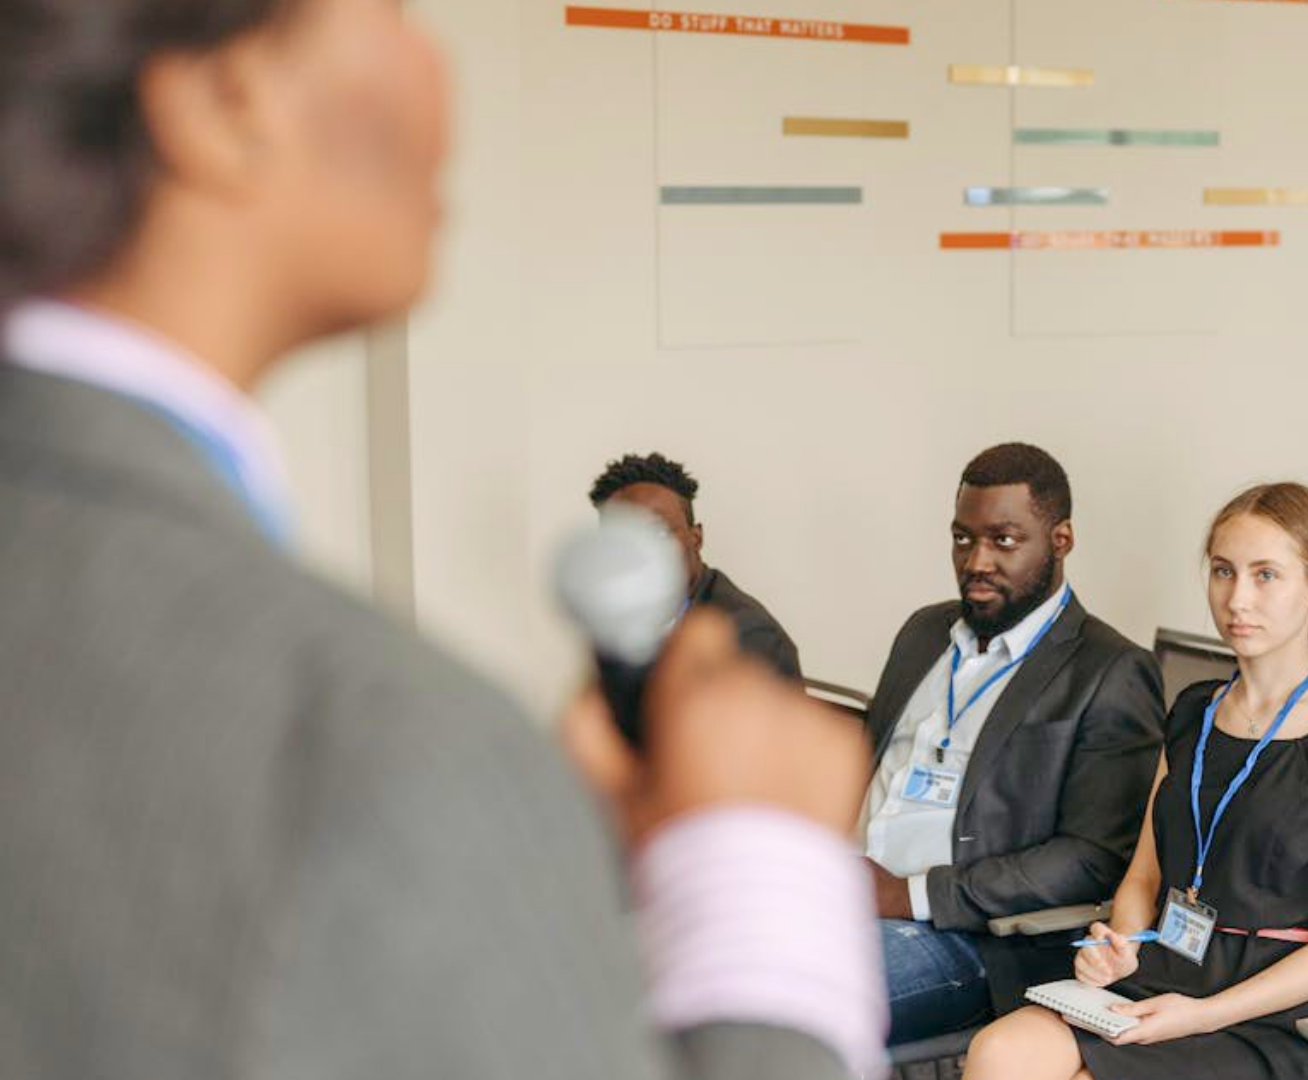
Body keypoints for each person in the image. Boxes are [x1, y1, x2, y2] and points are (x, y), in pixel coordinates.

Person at [0, 2, 883, 1079]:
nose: (439, 68)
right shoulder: (374, 744)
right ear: (222, 102)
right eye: (393, 11)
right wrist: (759, 886)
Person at [961, 482, 1308, 1080]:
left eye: (1266, 575)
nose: (1237, 597)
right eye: (1224, 571)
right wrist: (1118, 946)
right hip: (1160, 969)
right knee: (998, 1052)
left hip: (1261, 1013)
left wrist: (1202, 1015)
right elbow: (1144, 875)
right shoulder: (1194, 712)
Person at [859, 443, 1165, 1045]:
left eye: (1003, 540)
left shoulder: (1109, 670)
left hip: (967, 938)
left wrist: (908, 894)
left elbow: (1092, 857)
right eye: (962, 538)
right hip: (841, 895)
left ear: (1061, 540)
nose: (976, 561)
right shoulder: (924, 633)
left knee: (764, 1008)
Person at [590, 452, 803, 680]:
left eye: (659, 533)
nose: (643, 555)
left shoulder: (745, 635)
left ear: (696, 537)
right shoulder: (623, 626)